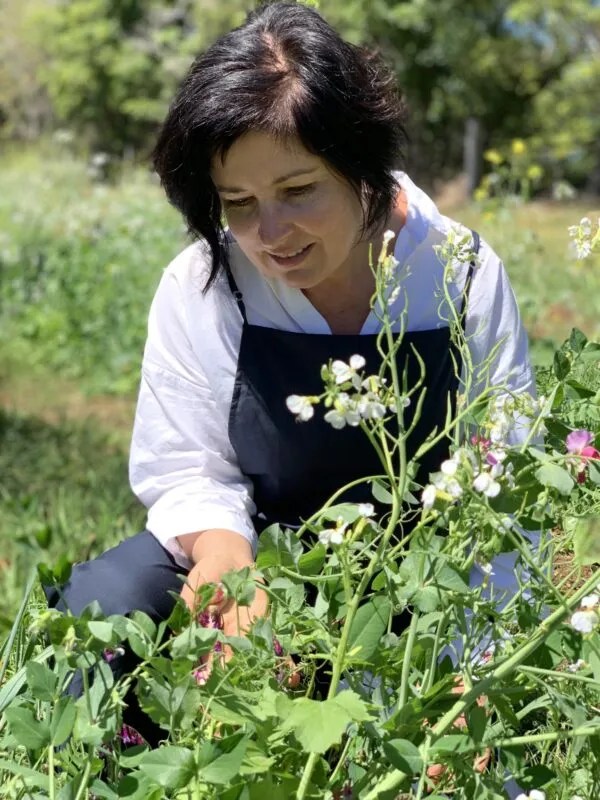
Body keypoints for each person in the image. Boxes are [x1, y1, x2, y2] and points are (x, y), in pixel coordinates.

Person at [46, 0, 535, 743]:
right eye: (238, 203)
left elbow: (508, 485)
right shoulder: (203, 282)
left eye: (298, 190)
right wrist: (228, 560)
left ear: (362, 164)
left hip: (418, 586)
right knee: (105, 602)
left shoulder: (458, 273)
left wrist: (475, 668)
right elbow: (187, 467)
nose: (269, 234)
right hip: (259, 558)